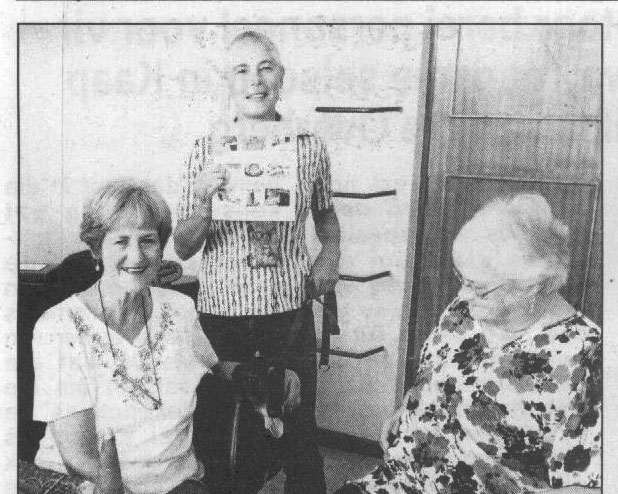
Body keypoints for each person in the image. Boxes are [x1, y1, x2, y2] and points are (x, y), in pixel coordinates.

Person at [32, 179, 301, 494]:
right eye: (121, 241)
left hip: (178, 483)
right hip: (91, 485)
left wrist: (264, 378)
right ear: (96, 249)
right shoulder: (59, 326)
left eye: (148, 240)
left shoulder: (179, 309)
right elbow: (79, 456)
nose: (136, 256)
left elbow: (216, 367)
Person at [339, 193, 601, 494]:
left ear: (532, 286)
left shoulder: (586, 360)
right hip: (401, 478)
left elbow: (586, 487)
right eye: (461, 279)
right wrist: (412, 406)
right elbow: (441, 371)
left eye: (476, 286)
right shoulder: (468, 308)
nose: (462, 295)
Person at [174, 30, 340, 494]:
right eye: (242, 70)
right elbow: (184, 247)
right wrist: (204, 200)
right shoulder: (204, 149)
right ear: (227, 80)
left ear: (281, 76)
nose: (255, 80)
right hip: (222, 310)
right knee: (223, 431)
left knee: (299, 429)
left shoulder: (310, 146)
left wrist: (331, 253)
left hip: (287, 306)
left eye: (265, 67)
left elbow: (326, 215)